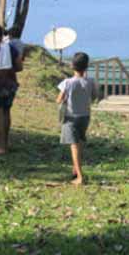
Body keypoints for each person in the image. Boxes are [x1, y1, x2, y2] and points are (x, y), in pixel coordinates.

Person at [56, 52, 99, 184]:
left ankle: (80, 176)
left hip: (71, 118)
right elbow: (95, 96)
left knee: (74, 146)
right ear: (86, 67)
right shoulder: (90, 82)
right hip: (85, 117)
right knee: (79, 142)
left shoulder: (67, 82)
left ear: (72, 66)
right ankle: (75, 170)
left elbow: (59, 99)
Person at [0, 25, 21, 154]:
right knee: (6, 112)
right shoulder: (10, 48)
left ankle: (0, 147)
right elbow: (19, 66)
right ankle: (5, 143)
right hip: (10, 84)